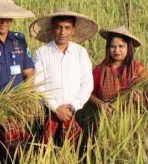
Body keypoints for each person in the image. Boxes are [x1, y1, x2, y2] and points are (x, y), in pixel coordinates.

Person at [30, 8, 98, 146]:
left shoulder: (80, 52)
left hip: (76, 112)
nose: (62, 32)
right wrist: (56, 108)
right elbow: (38, 84)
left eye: (67, 28)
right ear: (52, 29)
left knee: (76, 152)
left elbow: (87, 84)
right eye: (59, 28)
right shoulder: (41, 53)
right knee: (47, 151)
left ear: (73, 30)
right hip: (48, 112)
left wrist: (72, 106)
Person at [89, 26, 148, 113]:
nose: (116, 50)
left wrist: (141, 99)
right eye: (113, 46)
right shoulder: (100, 70)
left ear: (128, 48)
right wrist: (101, 105)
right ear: (108, 48)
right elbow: (88, 92)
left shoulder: (138, 68)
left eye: (121, 46)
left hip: (135, 118)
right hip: (107, 119)